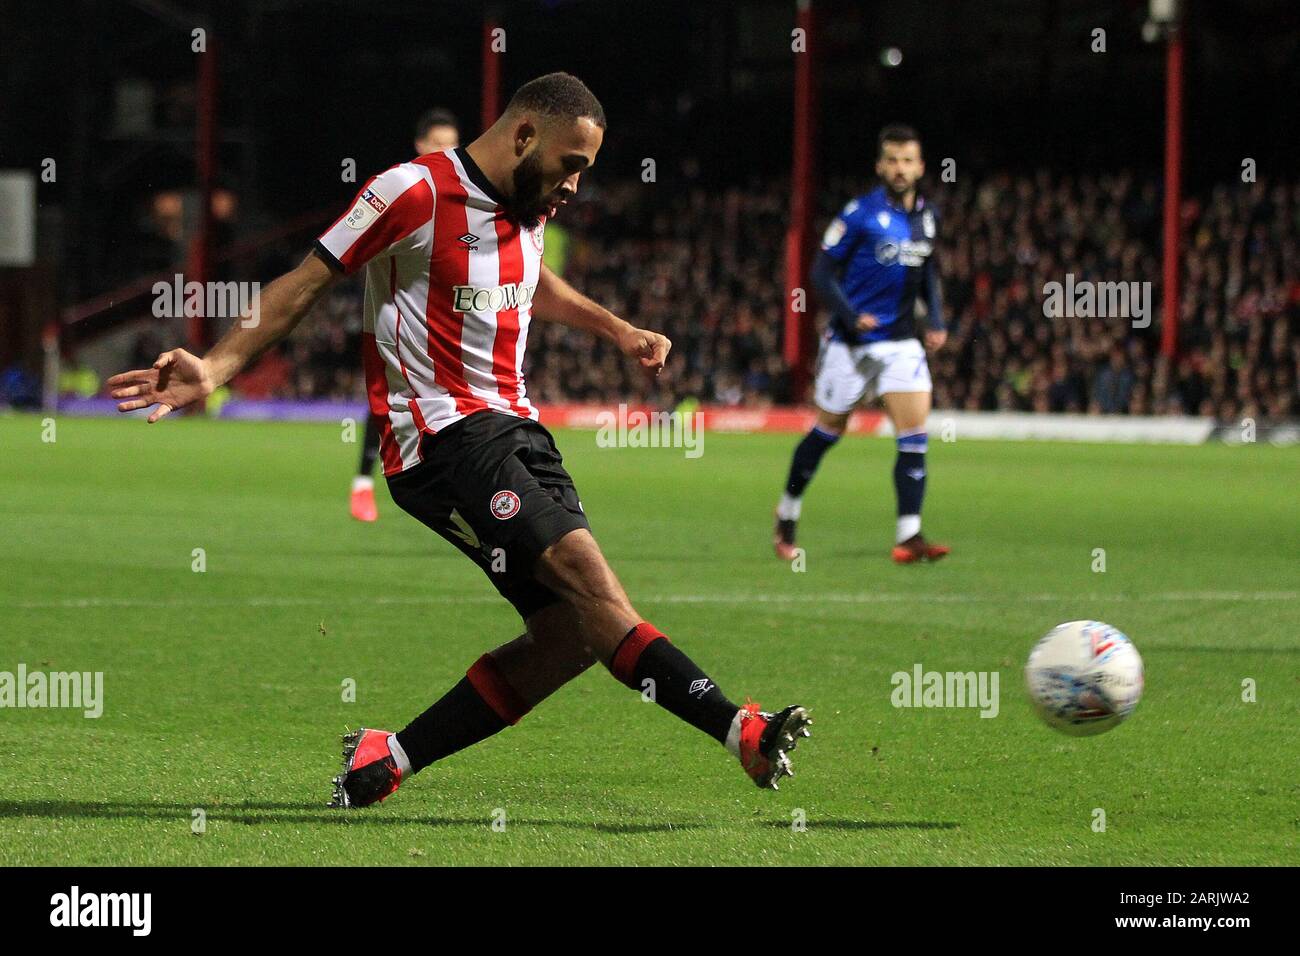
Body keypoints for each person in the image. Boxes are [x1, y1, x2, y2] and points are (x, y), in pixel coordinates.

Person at [108, 73, 811, 808]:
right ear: (525, 135)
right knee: (590, 581)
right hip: (443, 438)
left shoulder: (529, 202)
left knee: (573, 635)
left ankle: (392, 755)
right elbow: (307, 280)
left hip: (516, 431)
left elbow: (534, 282)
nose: (576, 184)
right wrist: (215, 366)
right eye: (572, 163)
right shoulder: (412, 193)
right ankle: (740, 730)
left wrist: (618, 330)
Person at [774, 124, 950, 564]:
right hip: (851, 344)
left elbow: (927, 273)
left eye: (908, 160)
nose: (900, 168)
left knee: (913, 436)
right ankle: (787, 514)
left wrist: (938, 320)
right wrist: (852, 316)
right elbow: (820, 273)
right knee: (827, 432)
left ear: (921, 167)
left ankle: (909, 535)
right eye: (892, 159)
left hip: (902, 343)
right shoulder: (859, 214)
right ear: (880, 165)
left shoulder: (927, 217)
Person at [350, 108, 461, 521]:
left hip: (447, 320)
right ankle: (364, 482)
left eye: (452, 144)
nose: (446, 151)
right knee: (388, 394)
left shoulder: (465, 198)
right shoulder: (399, 190)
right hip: (396, 313)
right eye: (437, 143)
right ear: (420, 146)